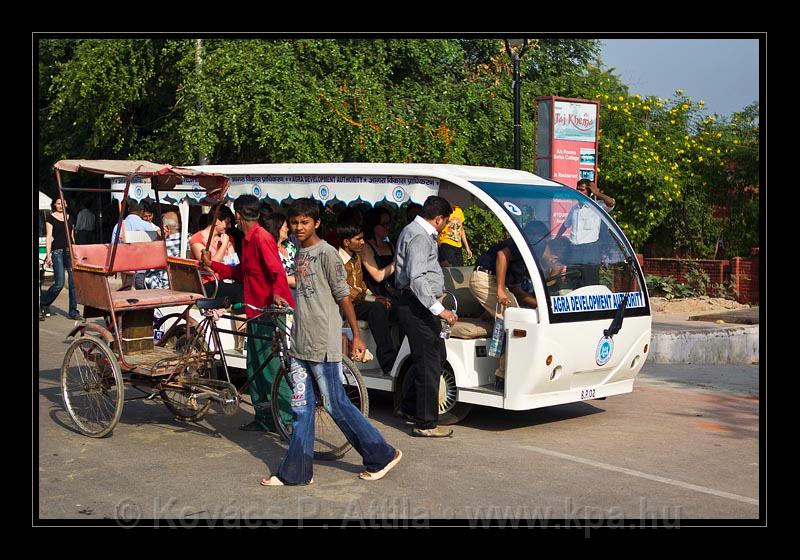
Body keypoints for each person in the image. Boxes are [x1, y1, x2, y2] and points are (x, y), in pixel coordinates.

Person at [261, 198, 402, 486]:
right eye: (295, 222)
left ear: (317, 223)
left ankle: (381, 453)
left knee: (336, 403)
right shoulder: (301, 253)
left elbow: (343, 296)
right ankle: (297, 472)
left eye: (305, 222)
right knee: (301, 409)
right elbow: (308, 291)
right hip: (300, 342)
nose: (299, 227)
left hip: (323, 344)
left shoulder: (327, 253)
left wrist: (357, 335)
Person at [200, 195, 295, 433]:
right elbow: (242, 272)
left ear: (239, 216)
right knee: (255, 367)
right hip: (254, 310)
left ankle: (285, 419)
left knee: (272, 367)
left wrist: (276, 296)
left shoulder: (262, 238)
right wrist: (213, 265)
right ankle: (264, 418)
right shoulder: (248, 240)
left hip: (268, 312)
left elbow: (277, 273)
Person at [394, 195, 457, 438]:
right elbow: (417, 278)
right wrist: (439, 309)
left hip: (419, 303)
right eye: (446, 222)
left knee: (435, 355)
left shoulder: (417, 231)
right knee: (429, 361)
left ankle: (410, 406)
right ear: (439, 218)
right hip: (416, 304)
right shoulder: (420, 236)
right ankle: (425, 423)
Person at [469, 221, 549, 388]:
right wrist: (499, 290)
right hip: (485, 278)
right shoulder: (522, 243)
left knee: (517, 314)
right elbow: (501, 256)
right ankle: (503, 375)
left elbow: (516, 290)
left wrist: (541, 303)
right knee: (514, 320)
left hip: (490, 279)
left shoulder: (528, 253)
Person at [337, 220, 398, 376]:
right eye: (358, 239)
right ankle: (388, 362)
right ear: (346, 242)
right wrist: (372, 300)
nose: (362, 242)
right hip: (344, 306)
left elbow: (361, 285)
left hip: (358, 302)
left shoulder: (356, 257)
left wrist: (374, 296)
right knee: (377, 308)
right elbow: (345, 291)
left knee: (396, 307)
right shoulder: (336, 260)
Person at [191, 207, 243, 303]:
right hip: (208, 283)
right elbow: (210, 267)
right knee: (240, 291)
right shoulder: (197, 239)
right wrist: (223, 246)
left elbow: (233, 263)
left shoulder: (228, 237)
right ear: (217, 221)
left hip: (227, 280)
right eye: (227, 223)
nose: (229, 226)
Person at [40, 198, 81, 320]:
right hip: (57, 252)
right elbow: (48, 237)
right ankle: (43, 302)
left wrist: (76, 252)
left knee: (73, 283)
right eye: (58, 203)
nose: (60, 205)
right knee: (59, 283)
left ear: (66, 204)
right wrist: (48, 255)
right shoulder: (50, 218)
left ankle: (73, 311)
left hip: (70, 252)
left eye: (63, 203)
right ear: (54, 205)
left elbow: (72, 236)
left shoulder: (70, 218)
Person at [111, 199, 162, 289]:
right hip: (143, 269)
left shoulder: (118, 226)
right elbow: (153, 248)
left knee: (126, 290)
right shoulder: (147, 226)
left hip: (124, 267)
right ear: (142, 211)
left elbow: (113, 248)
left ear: (128, 210)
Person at [361, 206, 398, 300]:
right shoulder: (366, 246)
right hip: (377, 295)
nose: (388, 227)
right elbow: (377, 276)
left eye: (389, 223)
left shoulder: (390, 245)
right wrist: (397, 262)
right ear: (373, 225)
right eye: (384, 224)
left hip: (393, 292)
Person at [259, 210, 297, 290]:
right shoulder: (268, 250)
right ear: (276, 228)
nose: (288, 229)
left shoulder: (290, 246)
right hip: (281, 291)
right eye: (285, 226)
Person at [144, 211, 181, 290]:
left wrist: (158, 239)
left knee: (140, 277)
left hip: (166, 285)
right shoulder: (189, 239)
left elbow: (149, 267)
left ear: (166, 228)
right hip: (183, 283)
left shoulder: (160, 247)